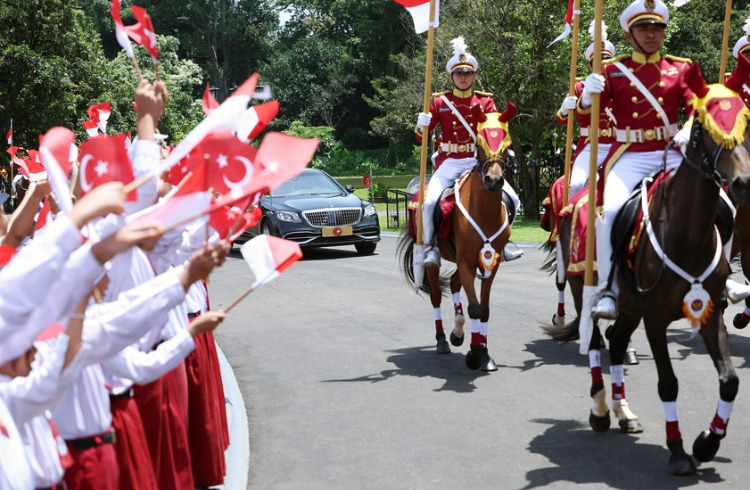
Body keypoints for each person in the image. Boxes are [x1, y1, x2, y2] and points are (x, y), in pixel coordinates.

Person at [578, 0, 697, 319]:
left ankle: (713, 277)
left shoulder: (681, 68)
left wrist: (688, 126)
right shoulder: (614, 70)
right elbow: (587, 115)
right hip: (628, 155)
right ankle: (607, 288)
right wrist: (587, 96)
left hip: (670, 152)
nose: (651, 34)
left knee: (711, 199)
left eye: (657, 28)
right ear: (630, 35)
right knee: (612, 211)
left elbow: (699, 103)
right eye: (643, 28)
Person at [415, 36, 522, 267]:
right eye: (458, 74)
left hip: (477, 163)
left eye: (467, 74)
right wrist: (420, 124)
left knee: (513, 199)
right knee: (429, 202)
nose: (463, 78)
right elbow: (420, 138)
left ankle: (500, 246)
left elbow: (495, 132)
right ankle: (431, 247)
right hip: (449, 162)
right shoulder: (439, 102)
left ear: (474, 76)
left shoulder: (486, 103)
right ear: (452, 76)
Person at [555, 21, 617, 197]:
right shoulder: (579, 87)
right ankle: (574, 223)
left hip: (617, 143)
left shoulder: (622, 84)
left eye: (606, 61)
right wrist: (564, 109)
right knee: (576, 185)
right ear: (590, 65)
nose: (602, 65)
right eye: (597, 62)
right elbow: (560, 120)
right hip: (590, 146)